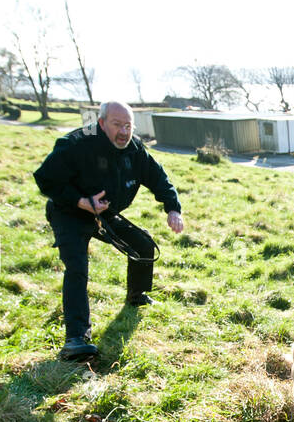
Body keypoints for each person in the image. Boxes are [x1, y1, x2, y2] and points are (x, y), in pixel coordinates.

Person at [33, 100, 185, 360]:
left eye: (128, 125)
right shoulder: (77, 143)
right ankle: (76, 339)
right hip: (68, 211)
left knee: (143, 245)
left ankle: (137, 295)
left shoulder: (134, 148)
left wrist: (173, 208)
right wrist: (80, 201)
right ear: (101, 123)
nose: (124, 131)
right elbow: (45, 178)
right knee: (77, 268)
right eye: (117, 124)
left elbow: (158, 177)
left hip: (103, 212)